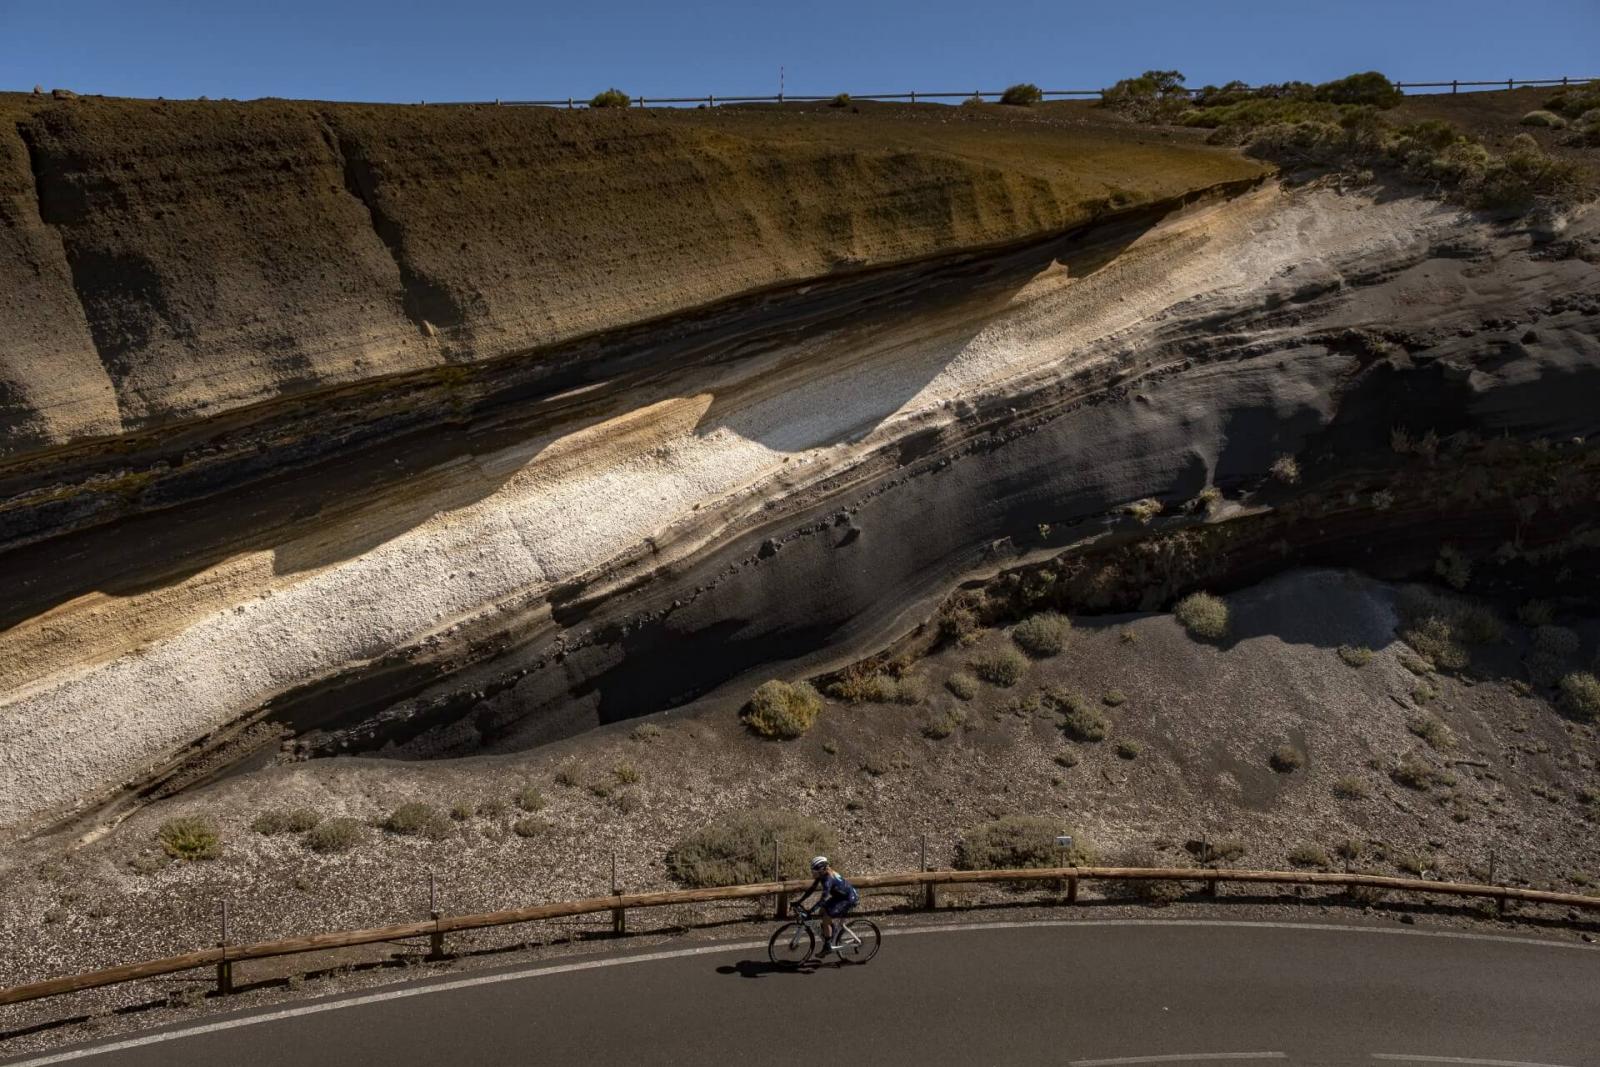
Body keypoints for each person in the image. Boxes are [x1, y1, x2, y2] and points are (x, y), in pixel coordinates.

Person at [796, 855, 858, 954]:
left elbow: (822, 900)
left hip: (848, 899)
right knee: (822, 911)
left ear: (821, 870)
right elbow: (811, 890)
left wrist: (810, 911)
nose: (812, 873)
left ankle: (828, 945)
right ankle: (830, 934)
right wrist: (799, 901)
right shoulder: (822, 875)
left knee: (826, 916)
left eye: (814, 871)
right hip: (840, 897)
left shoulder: (828, 880)